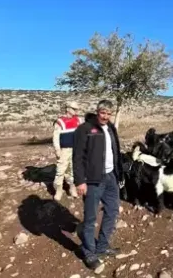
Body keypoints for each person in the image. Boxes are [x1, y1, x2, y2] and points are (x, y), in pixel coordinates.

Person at [73, 99, 124, 272]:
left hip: (111, 177)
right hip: (93, 179)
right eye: (103, 113)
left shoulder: (110, 128)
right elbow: (78, 156)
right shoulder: (85, 129)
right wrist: (80, 180)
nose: (105, 116)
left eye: (109, 114)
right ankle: (89, 251)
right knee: (90, 217)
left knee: (112, 210)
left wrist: (120, 174)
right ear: (97, 112)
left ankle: (102, 246)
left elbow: (115, 152)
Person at [52, 101, 83, 200]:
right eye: (74, 109)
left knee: (72, 169)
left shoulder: (78, 120)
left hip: (76, 149)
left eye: (77, 109)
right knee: (60, 170)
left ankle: (72, 187)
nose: (76, 111)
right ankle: (58, 189)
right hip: (64, 150)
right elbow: (55, 137)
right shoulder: (60, 121)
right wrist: (57, 150)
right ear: (68, 108)